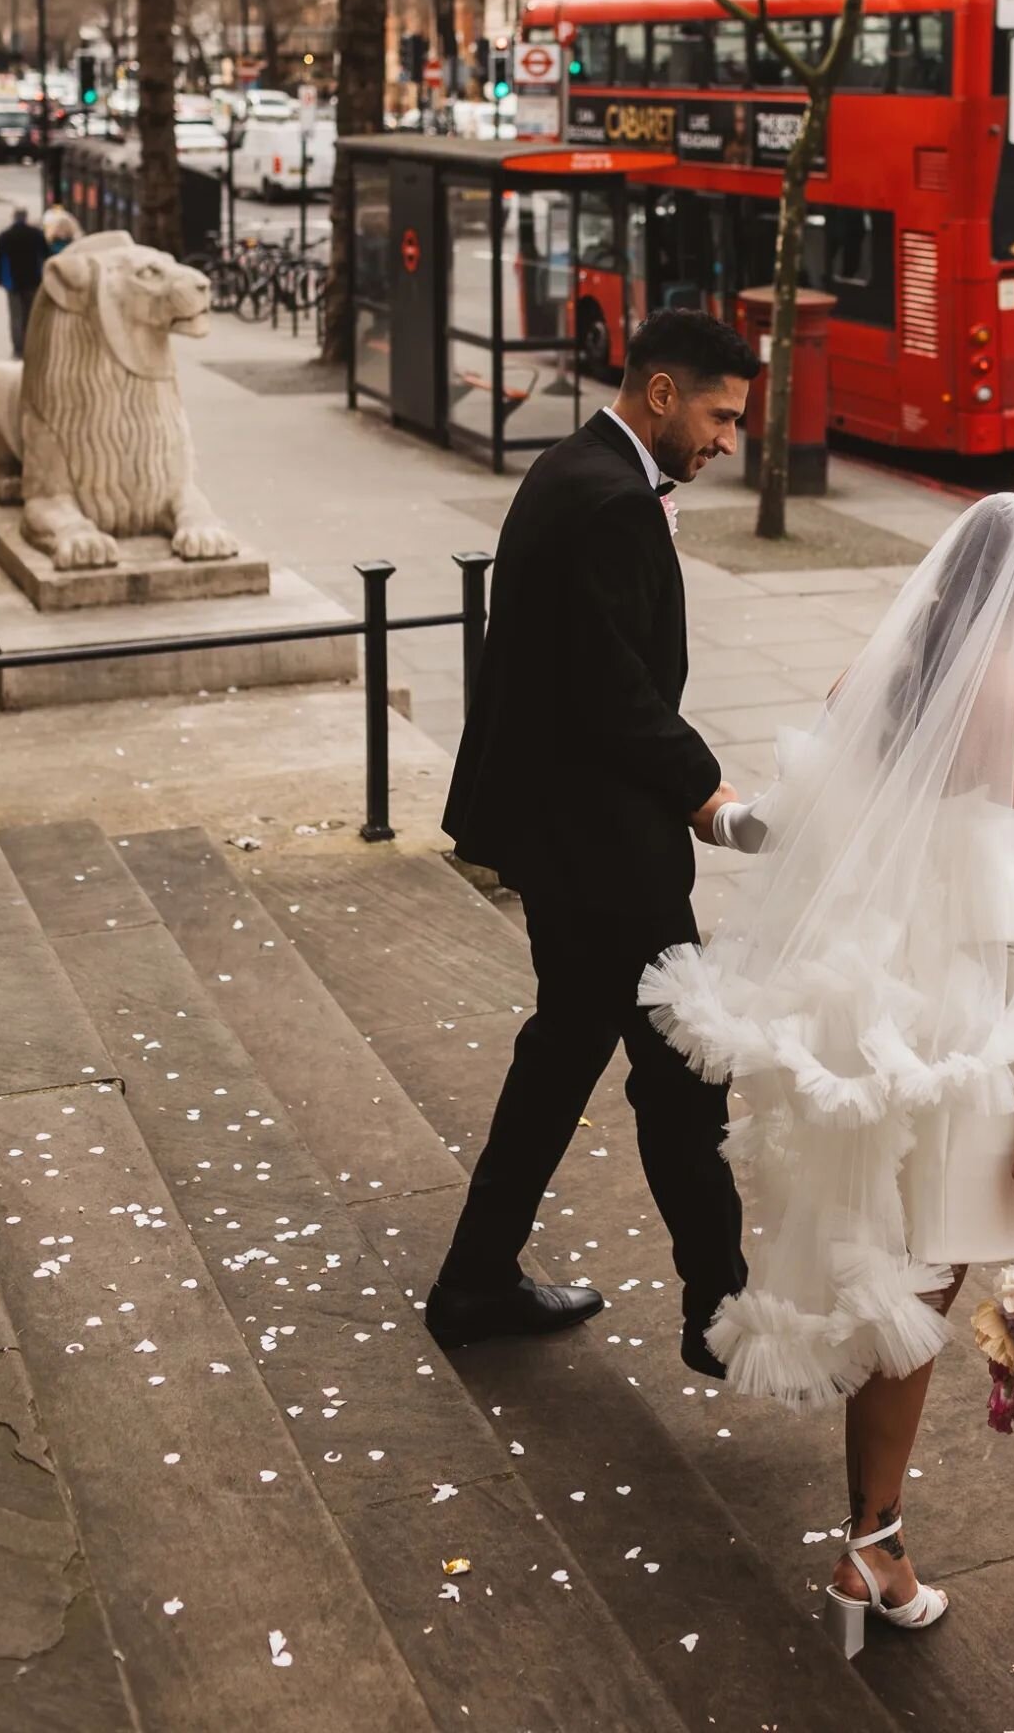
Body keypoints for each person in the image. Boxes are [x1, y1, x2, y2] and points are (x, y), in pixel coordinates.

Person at [641, 479, 1014, 1652]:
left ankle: (872, 1551)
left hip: (909, 1030)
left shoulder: (869, 688)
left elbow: (807, 832)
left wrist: (725, 815)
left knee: (919, 1283)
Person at [427, 308, 761, 1375]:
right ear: (660, 393)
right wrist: (709, 793)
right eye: (719, 415)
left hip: (565, 838)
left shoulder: (576, 469)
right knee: (684, 1081)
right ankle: (722, 1314)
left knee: (564, 1054)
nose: (726, 440)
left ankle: (477, 1278)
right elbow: (613, 692)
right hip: (607, 856)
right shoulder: (609, 500)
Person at [0, 206, 49, 357]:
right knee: (30, 314)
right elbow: (46, 255)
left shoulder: (4, 236)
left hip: (12, 282)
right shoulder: (36, 234)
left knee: (16, 315)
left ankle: (18, 348)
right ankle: (30, 345)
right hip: (33, 281)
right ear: (26, 217)